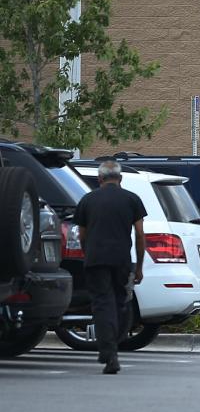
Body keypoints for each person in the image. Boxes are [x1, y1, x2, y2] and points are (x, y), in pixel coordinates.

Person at [74, 159, 147, 374]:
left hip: (96, 259)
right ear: (120, 178)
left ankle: (109, 351)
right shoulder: (132, 199)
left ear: (99, 179)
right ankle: (114, 343)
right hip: (121, 259)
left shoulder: (87, 200)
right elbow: (140, 235)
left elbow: (82, 234)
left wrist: (88, 254)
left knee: (101, 304)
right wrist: (139, 266)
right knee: (120, 302)